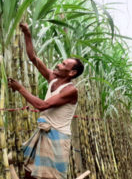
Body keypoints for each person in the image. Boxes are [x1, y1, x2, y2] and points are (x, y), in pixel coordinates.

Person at [7, 23, 84, 179]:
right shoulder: (52, 78)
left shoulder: (70, 90)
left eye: (63, 64)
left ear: (72, 72)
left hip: (58, 137)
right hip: (43, 133)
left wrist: (20, 88)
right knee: (29, 171)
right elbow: (33, 58)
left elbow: (42, 105)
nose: (58, 64)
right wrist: (27, 34)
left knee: (50, 176)